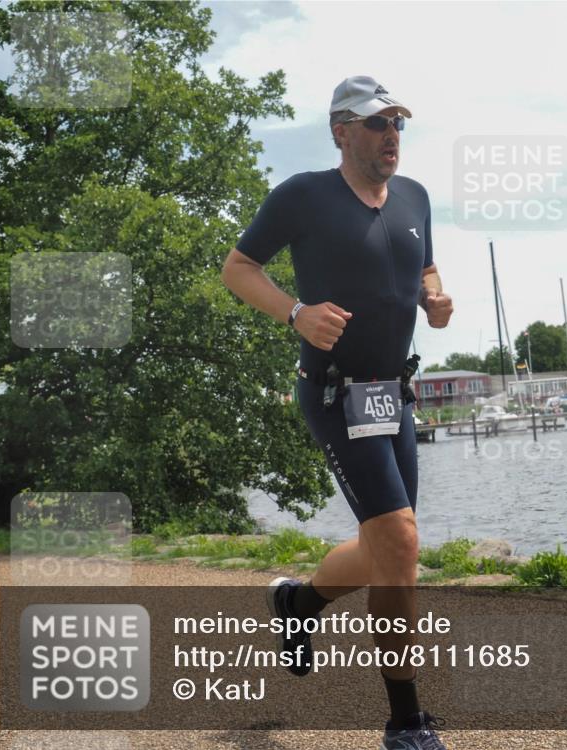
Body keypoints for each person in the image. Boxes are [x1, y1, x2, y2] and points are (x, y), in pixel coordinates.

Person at [221, 75, 453, 750]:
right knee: (401, 542)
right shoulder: (304, 195)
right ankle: (405, 721)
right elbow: (238, 267)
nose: (392, 136)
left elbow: (426, 269)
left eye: (399, 124)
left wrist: (435, 299)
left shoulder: (415, 198)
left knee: (389, 547)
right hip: (332, 391)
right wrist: (295, 312)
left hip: (392, 393)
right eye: (379, 124)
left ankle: (297, 604)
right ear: (341, 130)